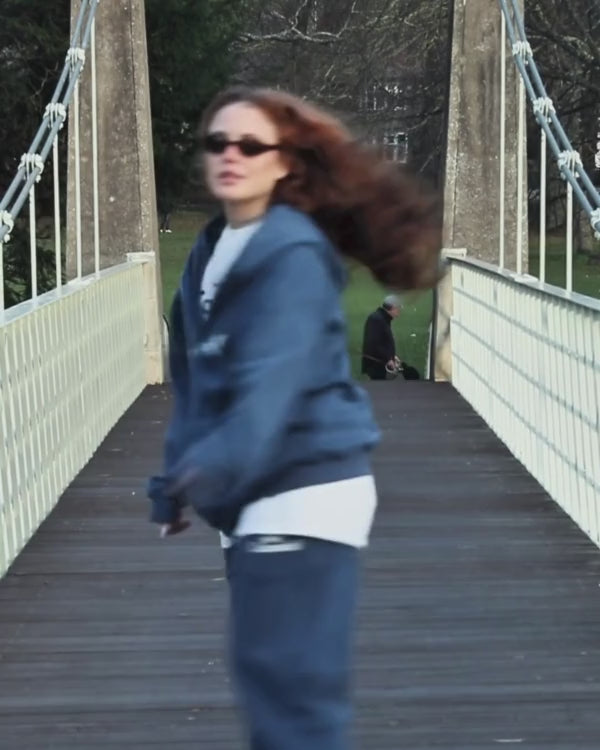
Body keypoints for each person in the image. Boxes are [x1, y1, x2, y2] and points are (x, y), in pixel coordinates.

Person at [147, 86, 441, 750]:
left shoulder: (293, 254)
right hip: (253, 494)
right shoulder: (212, 249)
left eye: (252, 145)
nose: (231, 154)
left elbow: (270, 391)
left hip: (305, 489)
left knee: (293, 707)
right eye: (218, 142)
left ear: (284, 163)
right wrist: (174, 477)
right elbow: (194, 383)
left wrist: (204, 472)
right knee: (269, 689)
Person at [361, 294, 402, 380]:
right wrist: (388, 359)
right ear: (392, 307)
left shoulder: (383, 318)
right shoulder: (377, 319)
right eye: (398, 308)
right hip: (376, 365)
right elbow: (374, 343)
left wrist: (392, 356)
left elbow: (383, 341)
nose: (399, 311)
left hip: (379, 363)